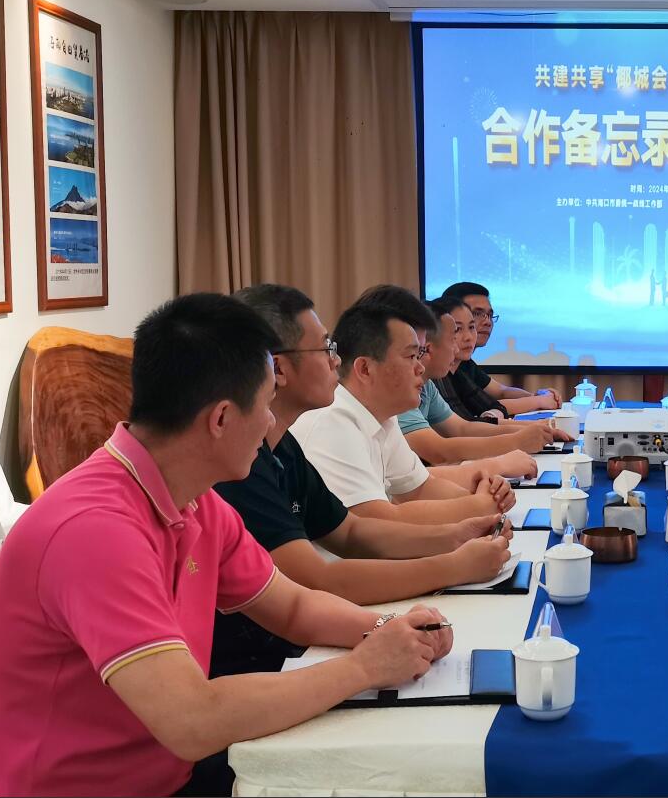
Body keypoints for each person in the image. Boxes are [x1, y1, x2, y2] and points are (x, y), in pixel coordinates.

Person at [0, 293, 454, 797]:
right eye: (265, 405)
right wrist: (363, 667)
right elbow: (192, 720)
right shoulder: (94, 530)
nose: (270, 423)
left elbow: (293, 607)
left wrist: (391, 631)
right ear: (221, 419)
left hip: (160, 772)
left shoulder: (196, 501)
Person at [209, 283, 515, 683]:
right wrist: (453, 565)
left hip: (305, 641)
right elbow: (317, 580)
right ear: (277, 369)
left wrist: (456, 536)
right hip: (266, 664)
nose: (336, 361)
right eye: (325, 349)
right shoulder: (239, 465)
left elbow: (351, 531)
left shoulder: (280, 446)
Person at [292, 286, 516, 526]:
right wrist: (478, 506)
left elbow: (420, 488)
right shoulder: (332, 422)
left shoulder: (383, 415)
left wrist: (484, 500)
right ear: (365, 368)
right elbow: (376, 523)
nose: (420, 367)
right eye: (412, 355)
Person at [403, 295, 572, 467]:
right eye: (454, 337)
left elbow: (463, 428)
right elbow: (438, 452)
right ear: (428, 349)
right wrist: (516, 441)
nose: (457, 348)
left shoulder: (429, 385)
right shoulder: (402, 390)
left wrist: (532, 431)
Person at [440, 281, 563, 416]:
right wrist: (539, 401)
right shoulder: (441, 371)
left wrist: (536, 396)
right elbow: (481, 409)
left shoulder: (464, 364)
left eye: (489, 315)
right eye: (477, 314)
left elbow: (500, 392)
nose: (487, 322)